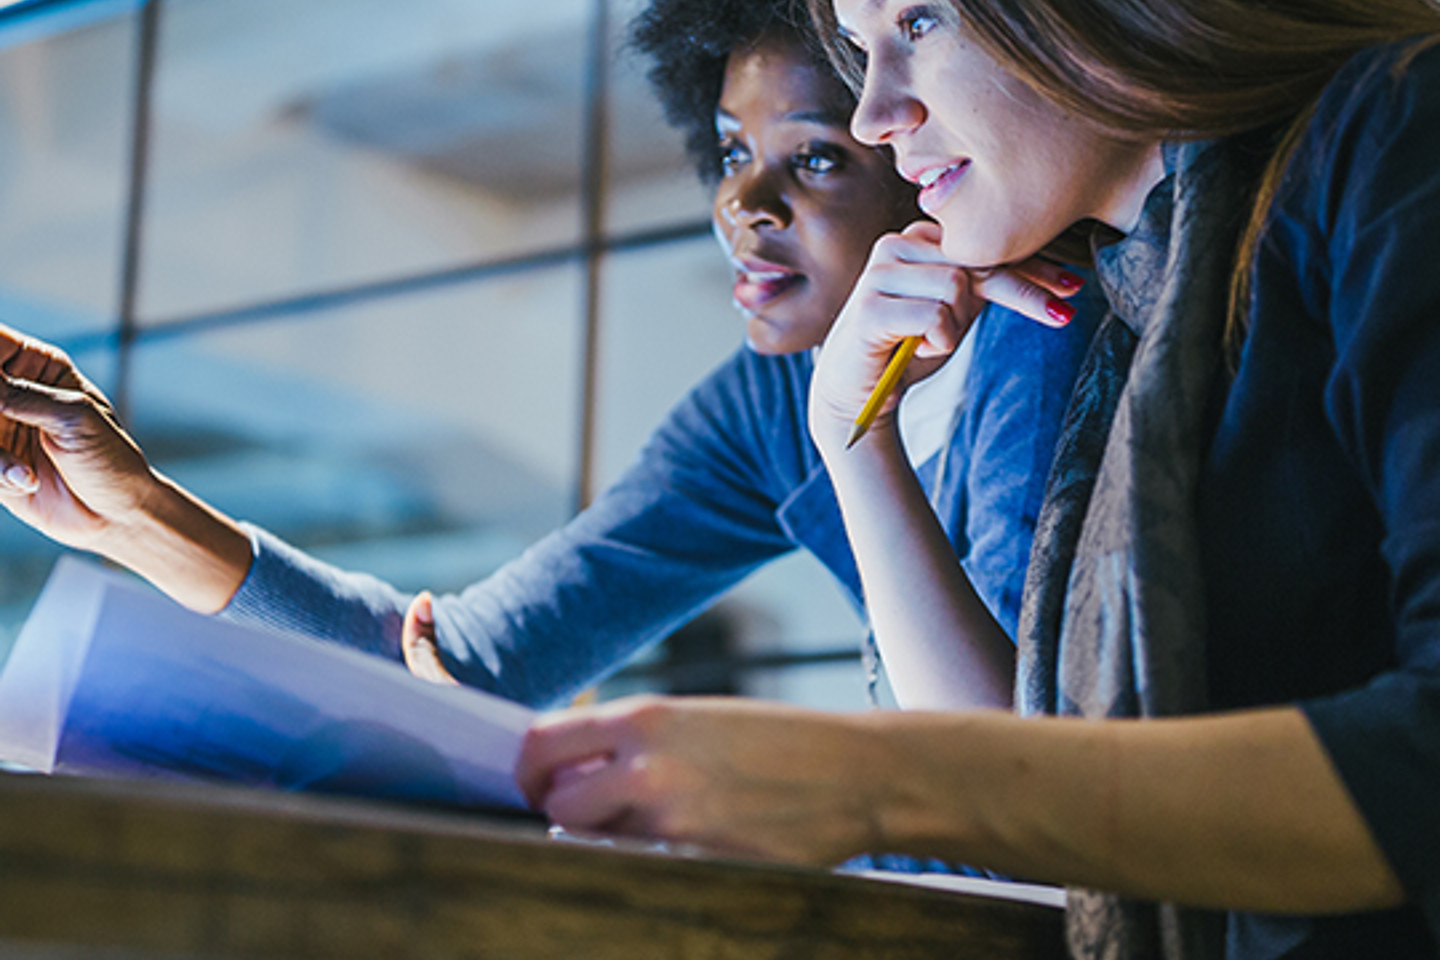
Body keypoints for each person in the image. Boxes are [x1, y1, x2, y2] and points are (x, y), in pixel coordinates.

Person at [510, 2, 1440, 958]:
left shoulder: (1396, 128)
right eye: (860, 49)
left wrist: (872, 780)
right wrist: (851, 437)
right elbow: (1038, 823)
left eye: (919, 22)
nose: (874, 114)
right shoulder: (1139, 295)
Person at [0, 4, 1094, 720]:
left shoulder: (1048, 329)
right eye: (731, 151)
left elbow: (1020, 762)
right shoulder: (770, 401)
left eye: (814, 158)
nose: (743, 206)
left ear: (919, 155)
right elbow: (463, 671)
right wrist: (124, 512)